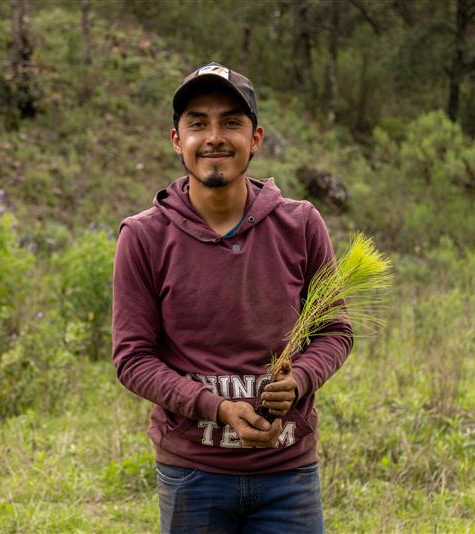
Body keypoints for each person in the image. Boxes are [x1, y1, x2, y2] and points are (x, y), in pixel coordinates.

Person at [111, 62, 353, 533]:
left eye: (231, 123)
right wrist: (217, 409)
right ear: (177, 140)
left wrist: (299, 379)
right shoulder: (143, 237)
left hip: (288, 475)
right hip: (192, 474)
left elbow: (335, 330)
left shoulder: (301, 225)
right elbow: (133, 358)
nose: (214, 137)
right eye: (198, 123)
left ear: (256, 138)